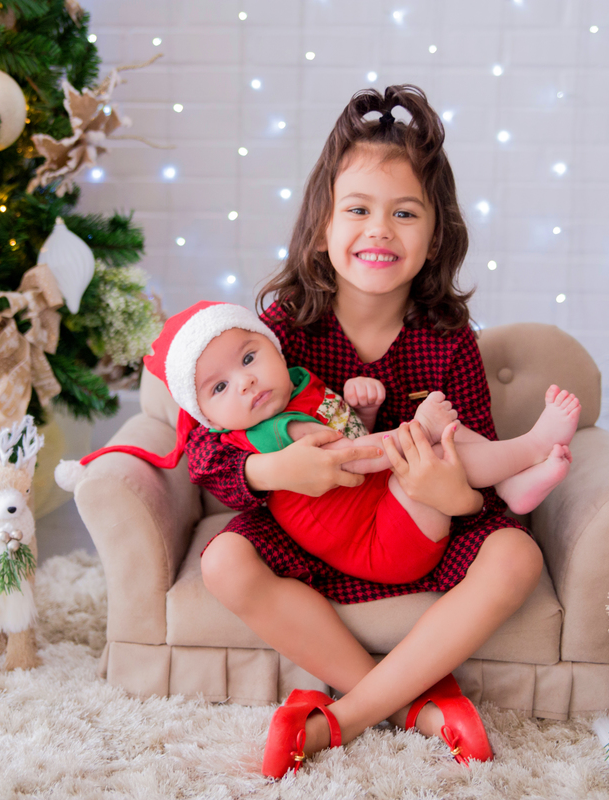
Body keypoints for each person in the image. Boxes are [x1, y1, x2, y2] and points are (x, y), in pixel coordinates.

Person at [184, 84, 553, 777]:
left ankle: (345, 717)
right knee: (223, 564)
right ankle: (412, 708)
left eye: (405, 212)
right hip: (310, 529)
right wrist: (272, 472)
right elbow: (201, 450)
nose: (379, 230)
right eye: (358, 209)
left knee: (516, 558)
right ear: (323, 225)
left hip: (417, 529)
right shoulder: (280, 331)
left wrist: (455, 498)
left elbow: (483, 473)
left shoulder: (447, 341)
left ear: (435, 233)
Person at [58, 301, 579, 588]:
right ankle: (532, 446)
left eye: (248, 358)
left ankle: (511, 479)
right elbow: (356, 457)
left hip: (385, 514)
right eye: (219, 389)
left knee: (449, 439)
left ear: (274, 347)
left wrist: (367, 413)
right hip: (381, 545)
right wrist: (410, 427)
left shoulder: (303, 387)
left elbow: (350, 434)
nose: (244, 382)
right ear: (208, 419)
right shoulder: (267, 433)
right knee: (434, 443)